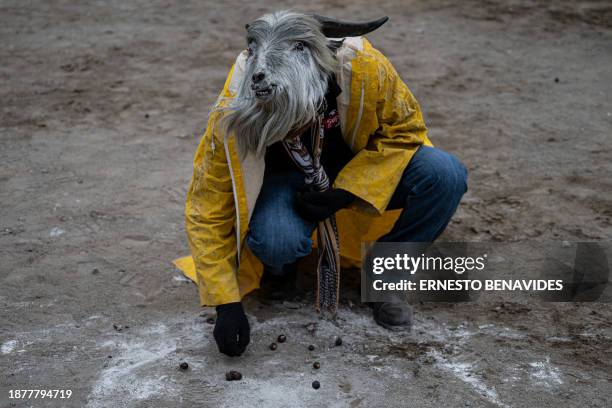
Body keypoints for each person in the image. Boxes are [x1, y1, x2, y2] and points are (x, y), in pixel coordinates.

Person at [180, 11, 468, 357]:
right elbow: (207, 202)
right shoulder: (237, 100)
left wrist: (345, 192)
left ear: (314, 64)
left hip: (355, 167)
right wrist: (226, 305)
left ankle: (384, 276)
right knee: (277, 240)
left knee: (444, 174)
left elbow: (405, 133)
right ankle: (279, 268)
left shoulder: (363, 66)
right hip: (285, 181)